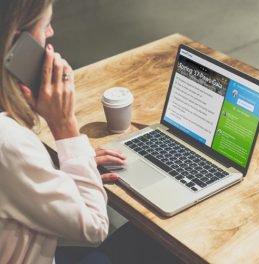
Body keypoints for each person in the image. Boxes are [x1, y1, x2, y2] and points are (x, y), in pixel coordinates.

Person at [0, 1, 182, 264]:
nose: (50, 32)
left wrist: (66, 169)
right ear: (19, 44)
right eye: (44, 24)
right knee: (161, 246)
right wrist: (65, 127)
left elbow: (14, 185)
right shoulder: (9, 142)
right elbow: (95, 226)